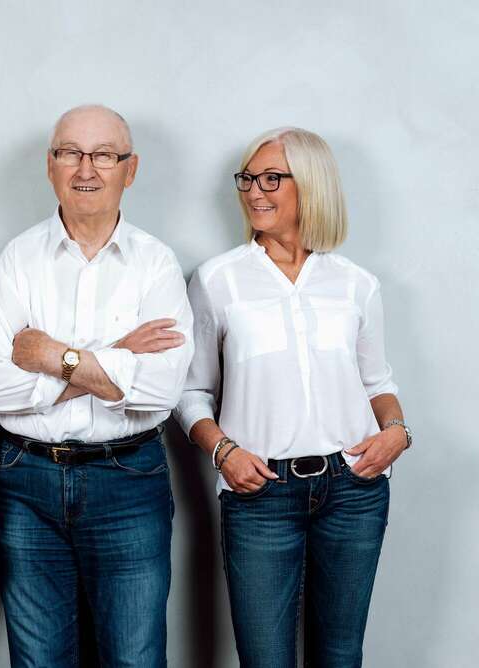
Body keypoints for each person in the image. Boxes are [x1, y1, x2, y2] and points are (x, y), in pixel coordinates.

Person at [174, 127, 409, 667]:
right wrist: (223, 452)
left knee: (340, 653)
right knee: (265, 658)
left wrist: (397, 432)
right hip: (261, 496)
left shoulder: (356, 285)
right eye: (248, 179)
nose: (254, 191)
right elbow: (190, 392)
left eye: (271, 178)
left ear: (312, 185)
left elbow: (378, 383)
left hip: (354, 488)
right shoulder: (218, 281)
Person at [0, 105, 194, 667]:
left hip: (128, 481)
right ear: (51, 165)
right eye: (69, 152)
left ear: (130, 169)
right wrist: (116, 362)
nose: (85, 168)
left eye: (103, 155)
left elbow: (161, 391)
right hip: (27, 481)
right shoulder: (16, 262)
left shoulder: (156, 265)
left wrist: (51, 355)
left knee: (134, 657)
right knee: (39, 659)